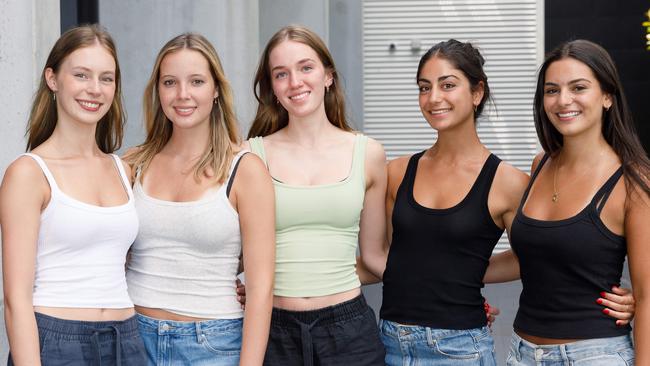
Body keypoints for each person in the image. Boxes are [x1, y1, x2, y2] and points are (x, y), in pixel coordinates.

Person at [358, 39, 637, 366]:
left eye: (447, 84)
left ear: (477, 93)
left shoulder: (510, 182)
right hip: (390, 339)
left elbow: (542, 251)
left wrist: (635, 299)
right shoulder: (396, 172)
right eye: (424, 87)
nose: (433, 97)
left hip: (462, 347)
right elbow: (391, 258)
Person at [123, 33, 275, 365]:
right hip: (133, 339)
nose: (182, 95)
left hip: (213, 344)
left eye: (196, 81)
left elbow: (261, 290)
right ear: (158, 90)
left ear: (216, 89)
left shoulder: (245, 170)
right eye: (169, 82)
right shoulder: (133, 163)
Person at [0, 24, 146, 365]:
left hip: (127, 340)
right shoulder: (29, 173)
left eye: (106, 78)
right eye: (81, 75)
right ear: (53, 78)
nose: (94, 89)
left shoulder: (123, 170)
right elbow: (15, 300)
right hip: (58, 342)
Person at [246, 25, 387, 365]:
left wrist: (456, 300)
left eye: (306, 67)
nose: (295, 82)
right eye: (281, 74)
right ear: (272, 88)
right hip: (273, 330)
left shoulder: (367, 153)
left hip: (349, 331)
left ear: (328, 76)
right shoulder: (250, 155)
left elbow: (375, 259)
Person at [502, 39, 650, 365]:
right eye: (551, 90)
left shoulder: (633, 182)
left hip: (594, 355)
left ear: (607, 96)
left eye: (578, 87)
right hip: (522, 353)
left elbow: (647, 295)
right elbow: (535, 255)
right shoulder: (540, 164)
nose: (563, 100)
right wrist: (453, 268)